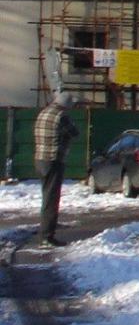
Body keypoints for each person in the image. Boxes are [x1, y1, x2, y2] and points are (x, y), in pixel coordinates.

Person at [35, 91, 79, 247]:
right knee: (51, 199)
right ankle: (47, 236)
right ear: (66, 104)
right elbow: (75, 133)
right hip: (54, 160)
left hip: (40, 159)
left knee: (46, 196)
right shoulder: (62, 116)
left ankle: (45, 232)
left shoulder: (43, 112)